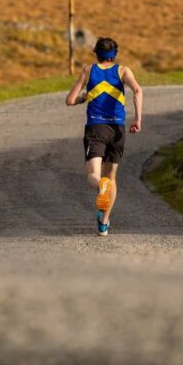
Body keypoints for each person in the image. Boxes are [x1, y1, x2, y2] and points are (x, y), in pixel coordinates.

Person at [65, 37, 143, 236]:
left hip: (96, 128)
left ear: (96, 53)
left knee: (94, 175)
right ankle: (104, 222)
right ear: (114, 54)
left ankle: (101, 186)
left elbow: (70, 100)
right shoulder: (123, 71)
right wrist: (138, 119)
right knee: (112, 177)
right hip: (117, 129)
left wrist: (86, 97)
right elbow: (137, 90)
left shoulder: (88, 71)